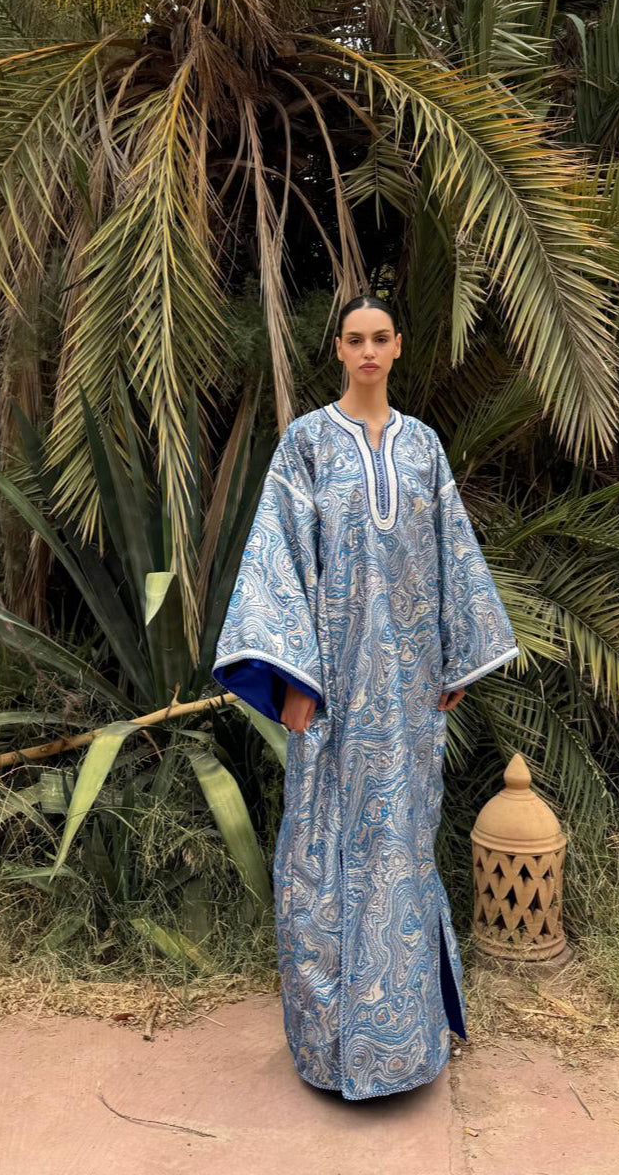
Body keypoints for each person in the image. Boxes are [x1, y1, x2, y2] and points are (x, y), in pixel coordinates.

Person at [211, 295, 519, 1101]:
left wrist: (455, 660)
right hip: (334, 694)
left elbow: (452, 550)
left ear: (398, 346)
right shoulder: (306, 444)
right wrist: (293, 685)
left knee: (402, 845)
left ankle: (405, 1046)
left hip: (411, 695)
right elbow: (275, 558)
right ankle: (329, 1050)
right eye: (355, 339)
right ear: (339, 350)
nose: (368, 350)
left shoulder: (421, 448)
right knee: (323, 851)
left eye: (381, 337)